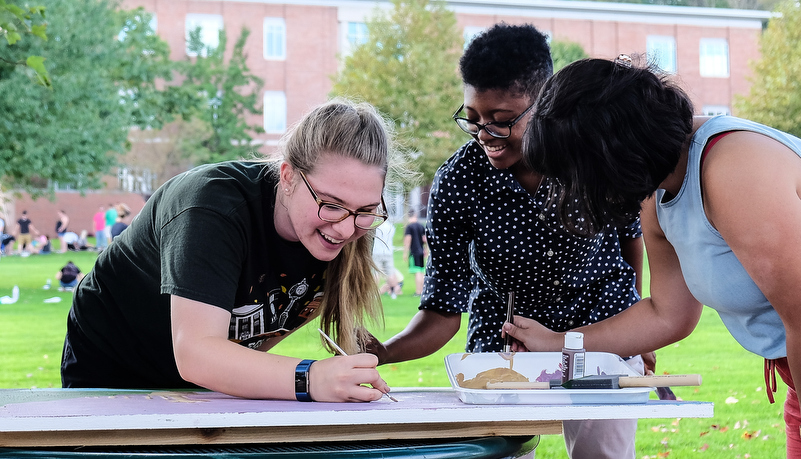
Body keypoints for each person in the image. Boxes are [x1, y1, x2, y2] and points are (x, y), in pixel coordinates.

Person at [368, 25, 646, 459]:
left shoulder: (591, 154)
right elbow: (442, 310)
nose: (484, 135)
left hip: (601, 329)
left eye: (501, 121)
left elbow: (631, 242)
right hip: (503, 343)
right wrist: (382, 353)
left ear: (545, 101)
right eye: (473, 119)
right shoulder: (459, 181)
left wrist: (639, 332)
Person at [508, 54, 801, 457]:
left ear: (609, 154)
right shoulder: (659, 188)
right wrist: (559, 342)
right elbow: (668, 314)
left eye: (572, 173)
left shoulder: (731, 167)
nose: (573, 189)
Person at [61, 99, 402, 403]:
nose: (345, 228)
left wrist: (235, 371)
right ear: (288, 177)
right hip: (113, 369)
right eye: (330, 204)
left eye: (366, 209)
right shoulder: (211, 208)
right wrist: (309, 379)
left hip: (200, 385)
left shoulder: (350, 227)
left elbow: (260, 332)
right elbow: (196, 353)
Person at [372, 219, 399, 299]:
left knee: (376, 273)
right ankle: (393, 292)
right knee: (390, 273)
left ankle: (374, 293)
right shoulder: (391, 227)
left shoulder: (376, 227)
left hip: (377, 252)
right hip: (388, 252)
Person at [402, 211, 427, 296]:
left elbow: (408, 240)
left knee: (417, 272)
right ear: (415, 216)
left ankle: (418, 291)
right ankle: (423, 290)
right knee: (421, 271)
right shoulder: (421, 226)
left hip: (414, 252)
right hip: (421, 251)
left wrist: (405, 252)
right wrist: (426, 249)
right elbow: (425, 239)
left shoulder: (409, 227)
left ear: (409, 217)